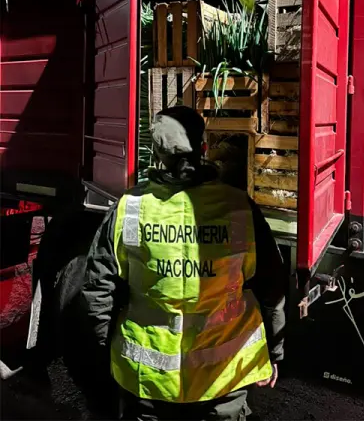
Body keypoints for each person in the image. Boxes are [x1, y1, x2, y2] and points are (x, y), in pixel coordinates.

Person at [81, 106, 286, 421]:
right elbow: (272, 287)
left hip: (148, 384)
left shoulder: (129, 209)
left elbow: (97, 290)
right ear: (204, 148)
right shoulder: (238, 208)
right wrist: (273, 352)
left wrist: (102, 354)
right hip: (223, 381)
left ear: (156, 153)